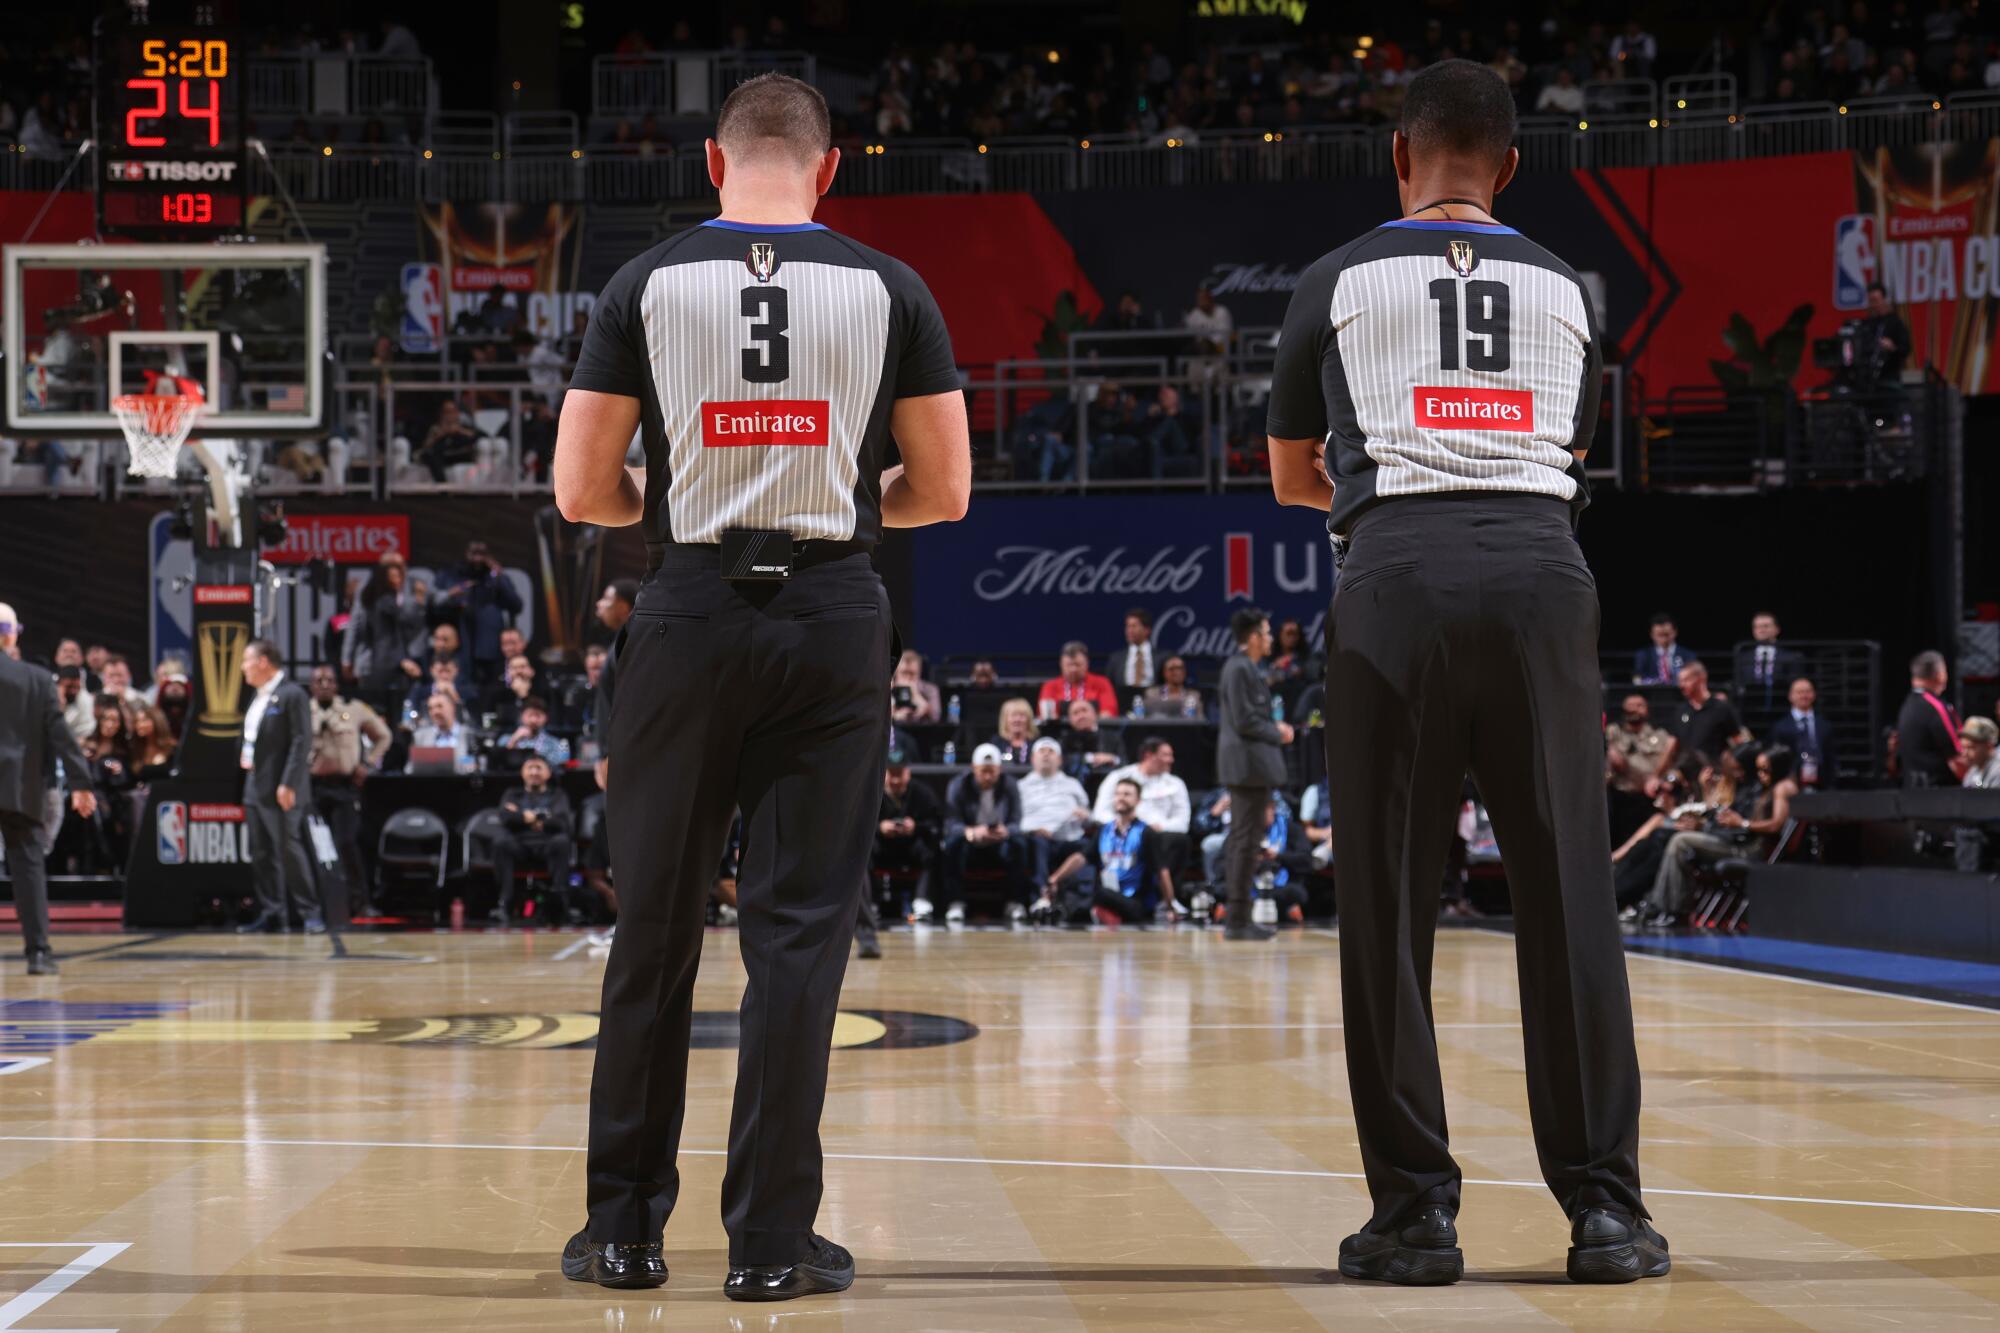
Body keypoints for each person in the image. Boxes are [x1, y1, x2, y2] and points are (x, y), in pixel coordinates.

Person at [552, 72, 970, 1300]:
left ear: (712, 162)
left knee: (656, 934)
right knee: (797, 943)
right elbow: (941, 493)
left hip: (684, 612)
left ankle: (623, 1231)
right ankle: (771, 1242)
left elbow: (581, 491)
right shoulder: (891, 287)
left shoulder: (645, 282)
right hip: (834, 613)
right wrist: (841, 514)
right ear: (830, 168)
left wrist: (671, 510)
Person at [1265, 59, 1663, 1286]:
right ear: (1508, 166)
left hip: (1394, 576)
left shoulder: (1330, 279)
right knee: (1566, 903)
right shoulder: (1568, 288)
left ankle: (1413, 1215)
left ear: (1397, 156)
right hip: (1543, 572)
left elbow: (1292, 475)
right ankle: (1603, 1213)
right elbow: (1568, 449)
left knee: (1387, 904)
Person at [0, 604, 97, 974]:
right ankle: (38, 953)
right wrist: (81, 784)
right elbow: (60, 735)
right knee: (27, 867)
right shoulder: (38, 679)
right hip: (19, 788)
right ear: (12, 635)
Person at [235, 640, 336, 947]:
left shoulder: (292, 694)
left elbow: (301, 741)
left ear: (264, 661)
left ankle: (311, 913)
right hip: (254, 785)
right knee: (261, 852)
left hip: (281, 787)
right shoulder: (257, 696)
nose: (243, 667)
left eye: (246, 661)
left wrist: (289, 783)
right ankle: (272, 913)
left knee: (288, 850)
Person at [1216, 608, 1293, 941]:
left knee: (1245, 841)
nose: (1271, 638)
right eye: (1266, 632)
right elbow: (1245, 719)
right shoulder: (1239, 668)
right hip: (1246, 767)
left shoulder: (1247, 668)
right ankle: (1236, 920)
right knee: (1244, 843)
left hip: (1252, 768)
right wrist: (1278, 732)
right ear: (1252, 638)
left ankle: (1239, 917)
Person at [1040, 777, 1181, 924]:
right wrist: (1054, 879)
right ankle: (1094, 913)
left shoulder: (1146, 833)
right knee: (1075, 892)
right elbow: (1080, 858)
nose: (1121, 798)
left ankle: (1097, 913)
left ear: (1138, 800)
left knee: (1096, 894)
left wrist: (1170, 906)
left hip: (1134, 901)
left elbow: (1162, 871)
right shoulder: (1104, 831)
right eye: (1118, 794)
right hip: (1107, 896)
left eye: (1127, 794)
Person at [308, 665, 391, 915]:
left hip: (344, 787)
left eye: (329, 680)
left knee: (347, 843)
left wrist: (367, 763)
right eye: (318, 680)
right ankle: (319, 904)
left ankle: (360, 901)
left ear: (336, 685)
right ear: (311, 686)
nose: (324, 684)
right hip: (313, 787)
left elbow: (384, 736)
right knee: (313, 847)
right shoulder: (303, 710)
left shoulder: (352, 709)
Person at [940, 745, 1026, 922]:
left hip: (999, 842)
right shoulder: (958, 785)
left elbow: (1017, 821)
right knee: (953, 843)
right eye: (983, 771)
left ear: (1000, 769)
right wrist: (970, 831)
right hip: (970, 841)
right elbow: (950, 823)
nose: (988, 776)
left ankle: (1014, 902)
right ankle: (955, 902)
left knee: (1019, 844)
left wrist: (1006, 830)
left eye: (992, 772)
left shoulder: (1010, 784)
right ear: (973, 768)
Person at [491, 754, 576, 924]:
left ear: (548, 773)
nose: (534, 772)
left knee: (562, 842)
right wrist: (536, 818)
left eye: (539, 768)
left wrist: (524, 816)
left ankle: (561, 903)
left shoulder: (557, 795)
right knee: (500, 842)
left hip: (547, 844)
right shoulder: (512, 794)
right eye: (530, 768)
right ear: (523, 772)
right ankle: (505, 903)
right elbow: (505, 817)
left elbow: (562, 822)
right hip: (519, 845)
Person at [866, 751, 944, 934]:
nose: (895, 780)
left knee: (932, 850)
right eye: (891, 774)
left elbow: (937, 823)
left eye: (899, 775)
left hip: (911, 845)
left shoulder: (922, 793)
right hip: (883, 846)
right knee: (864, 853)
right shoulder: (872, 793)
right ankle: (871, 903)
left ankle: (923, 900)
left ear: (907, 773)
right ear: (884, 774)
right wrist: (880, 827)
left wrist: (915, 826)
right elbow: (858, 823)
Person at [433, 540, 523, 691]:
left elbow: (516, 605)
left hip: (490, 648)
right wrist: (455, 594)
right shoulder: (454, 575)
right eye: (473, 554)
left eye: (482, 554)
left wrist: (500, 577)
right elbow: (435, 606)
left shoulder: (494, 578)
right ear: (465, 554)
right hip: (461, 648)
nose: (477, 559)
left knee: (491, 689)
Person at [1017, 736, 1091, 889]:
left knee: (1090, 847)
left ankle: (1082, 898)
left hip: (1069, 837)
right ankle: (1042, 893)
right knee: (1036, 843)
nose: (1045, 755)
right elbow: (1013, 819)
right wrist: (1032, 830)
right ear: (1032, 759)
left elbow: (1088, 816)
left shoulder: (1073, 784)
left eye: (1051, 751)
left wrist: (1085, 816)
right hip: (1036, 838)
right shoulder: (1021, 786)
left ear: (1060, 760)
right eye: (1041, 751)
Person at [1897, 650, 1963, 787]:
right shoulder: (1936, 706)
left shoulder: (1906, 706)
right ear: (1940, 675)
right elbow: (1957, 754)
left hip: (1910, 790)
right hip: (1939, 793)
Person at [1669, 662, 1747, 768]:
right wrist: (1656, 776)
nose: (1681, 685)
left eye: (1686, 680)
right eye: (1680, 681)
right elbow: (1671, 748)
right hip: (1686, 775)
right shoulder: (1681, 710)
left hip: (1714, 774)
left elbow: (1739, 743)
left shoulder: (1722, 708)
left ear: (1701, 679)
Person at [1765, 678, 1839, 788]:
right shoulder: (1780, 727)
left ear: (1814, 695)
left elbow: (1831, 756)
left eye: (1808, 692)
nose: (1804, 696)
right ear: (1790, 696)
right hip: (1791, 782)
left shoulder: (1825, 725)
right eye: (1799, 692)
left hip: (1821, 783)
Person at [1733, 612, 1802, 721]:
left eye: (1766, 626)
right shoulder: (1743, 657)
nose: (1761, 630)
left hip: (1781, 711)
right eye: (1757, 627)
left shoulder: (1792, 657)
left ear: (1777, 629)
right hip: (1750, 713)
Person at [1037, 641, 1120, 719]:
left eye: (1078, 664)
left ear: (1087, 663)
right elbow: (1046, 716)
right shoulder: (1050, 686)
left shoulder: (1102, 683)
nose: (1073, 669)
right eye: (1069, 665)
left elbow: (1109, 712)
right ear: (1061, 664)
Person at [504, 696, 572, 766]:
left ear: (546, 717)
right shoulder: (505, 739)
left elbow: (563, 765)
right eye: (530, 715)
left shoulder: (559, 743)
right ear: (521, 716)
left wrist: (539, 757)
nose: (534, 720)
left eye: (538, 715)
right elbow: (499, 761)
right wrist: (514, 739)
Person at [1105, 608, 1157, 695]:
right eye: (1128, 626)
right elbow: (1108, 687)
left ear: (1147, 630)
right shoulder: (1115, 658)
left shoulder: (1162, 657)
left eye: (1134, 626)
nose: (1129, 630)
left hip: (1153, 702)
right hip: (1123, 702)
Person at [1632, 614, 1691, 685]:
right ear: (1652, 635)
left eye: (1666, 634)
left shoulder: (1688, 655)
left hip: (1680, 693)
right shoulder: (1643, 655)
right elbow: (1637, 678)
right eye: (1659, 635)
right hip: (1651, 693)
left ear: (1675, 632)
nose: (1663, 639)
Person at [1140, 655, 1203, 719]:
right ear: (1163, 672)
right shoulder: (1152, 693)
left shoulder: (1194, 695)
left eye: (1180, 668)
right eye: (1172, 669)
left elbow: (1200, 720)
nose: (1177, 672)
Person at [889, 649, 942, 724]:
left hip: (920, 732)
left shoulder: (930, 689)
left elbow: (936, 717)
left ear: (919, 672)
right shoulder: (887, 688)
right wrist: (894, 716)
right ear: (896, 672)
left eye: (912, 673)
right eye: (904, 673)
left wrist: (915, 694)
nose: (908, 677)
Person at [989, 697, 1039, 765]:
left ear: (1029, 719)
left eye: (1022, 715)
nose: (1017, 719)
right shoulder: (996, 743)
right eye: (1013, 715)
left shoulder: (1037, 744)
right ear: (1005, 719)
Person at [1962, 716, 2000, 788]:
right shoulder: (1972, 771)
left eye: (1971, 747)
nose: (1965, 753)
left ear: (1989, 746)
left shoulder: (1997, 771)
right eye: (1963, 747)